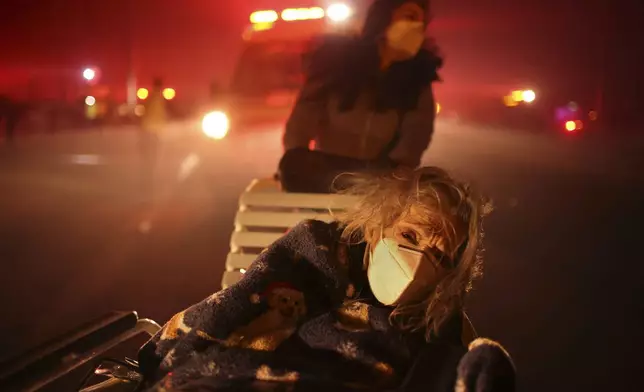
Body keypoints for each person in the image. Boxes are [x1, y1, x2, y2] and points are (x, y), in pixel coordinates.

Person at [137, 167, 515, 391]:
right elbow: (238, 305)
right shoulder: (315, 253)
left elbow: (440, 368)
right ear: (380, 225)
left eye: (438, 255)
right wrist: (169, 358)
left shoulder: (436, 320)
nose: (418, 262)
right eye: (410, 237)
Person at [278, 0, 443, 193]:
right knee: (293, 164)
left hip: (377, 175)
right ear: (384, 17)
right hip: (329, 170)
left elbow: (414, 139)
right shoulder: (336, 63)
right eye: (409, 17)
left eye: (421, 24)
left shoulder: (417, 80)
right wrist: (297, 158)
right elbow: (302, 122)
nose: (416, 28)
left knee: (427, 183)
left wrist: (398, 173)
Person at [139, 78, 167, 194]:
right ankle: (152, 175)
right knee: (155, 155)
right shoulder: (160, 98)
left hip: (148, 128)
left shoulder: (150, 97)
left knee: (150, 154)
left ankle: (149, 174)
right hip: (156, 130)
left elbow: (145, 112)